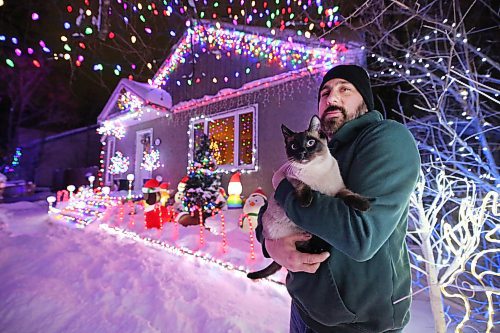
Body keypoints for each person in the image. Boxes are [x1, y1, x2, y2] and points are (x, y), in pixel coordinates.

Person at [257, 64, 421, 333]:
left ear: (365, 100)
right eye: (324, 93)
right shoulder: (320, 150)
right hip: (303, 309)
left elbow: (361, 236)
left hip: (356, 326)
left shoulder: (387, 138)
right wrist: (272, 245)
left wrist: (286, 188)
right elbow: (273, 212)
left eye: (345, 89)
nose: (331, 98)